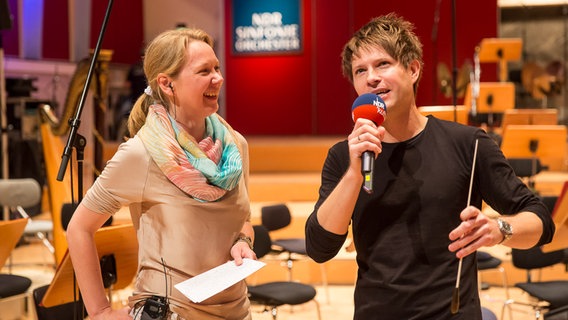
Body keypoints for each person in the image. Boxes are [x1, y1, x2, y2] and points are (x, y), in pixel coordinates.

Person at [305, 13, 555, 319]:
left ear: (412, 69)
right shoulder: (344, 158)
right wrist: (355, 173)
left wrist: (498, 229)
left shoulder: (468, 143)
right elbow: (319, 248)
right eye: (360, 70)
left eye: (383, 64)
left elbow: (541, 219)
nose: (371, 77)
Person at [66, 27, 256, 320]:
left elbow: (242, 219)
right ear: (167, 84)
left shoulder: (235, 146)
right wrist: (100, 311)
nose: (218, 78)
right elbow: (79, 228)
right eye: (204, 70)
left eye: (217, 67)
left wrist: (243, 243)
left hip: (236, 310)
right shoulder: (141, 154)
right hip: (169, 312)